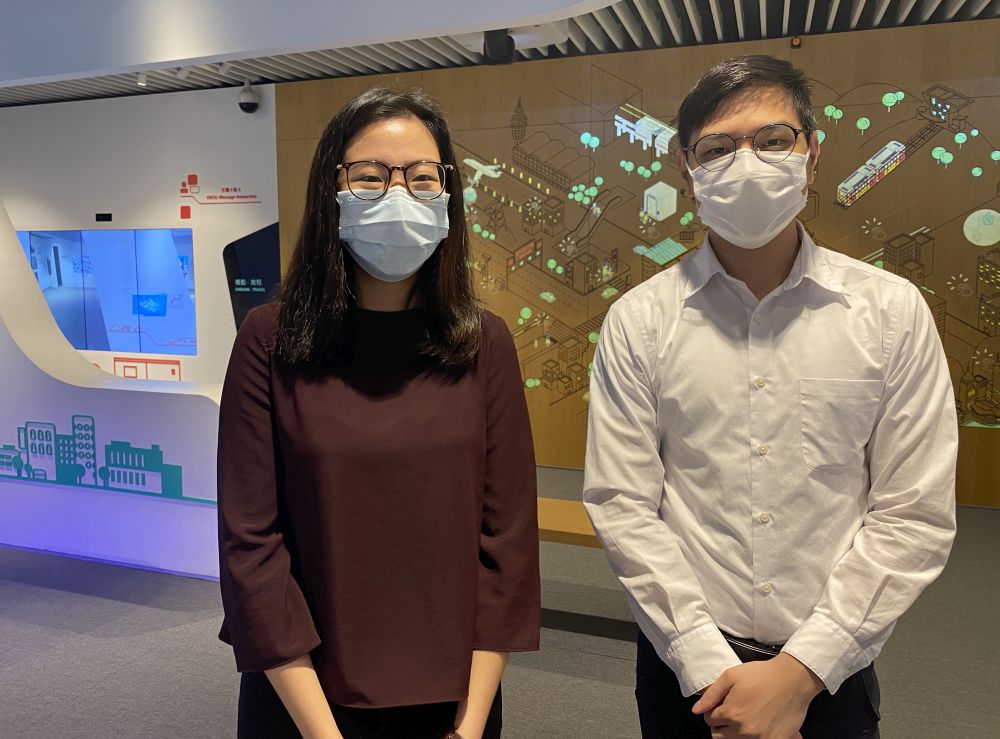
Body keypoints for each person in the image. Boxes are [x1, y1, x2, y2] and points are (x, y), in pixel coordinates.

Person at [583, 55, 957, 739]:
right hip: (685, 672)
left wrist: (801, 670)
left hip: (830, 674)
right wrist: (703, 660)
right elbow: (623, 504)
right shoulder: (640, 322)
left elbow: (913, 512)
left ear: (812, 158)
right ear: (686, 170)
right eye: (718, 148)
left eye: (773, 140)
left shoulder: (890, 312)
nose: (746, 162)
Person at [217, 88, 540, 739]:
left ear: (447, 191)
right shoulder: (269, 338)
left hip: (454, 704)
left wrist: (471, 725)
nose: (398, 194)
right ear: (330, 189)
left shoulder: (486, 342)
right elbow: (252, 546)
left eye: (422, 177)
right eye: (370, 176)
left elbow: (506, 543)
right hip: (305, 702)